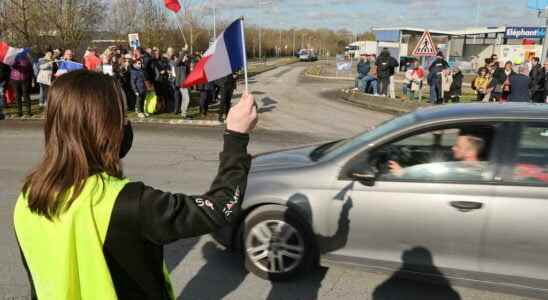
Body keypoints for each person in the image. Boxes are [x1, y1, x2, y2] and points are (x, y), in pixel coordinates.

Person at [13, 70, 258, 300]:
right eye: (121, 117)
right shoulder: (130, 202)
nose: (126, 125)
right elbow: (220, 208)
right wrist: (236, 136)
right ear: (104, 128)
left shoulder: (27, 197)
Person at [389, 133, 485, 176]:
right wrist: (437, 140)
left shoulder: (468, 173)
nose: (452, 148)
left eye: (458, 146)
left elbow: (433, 175)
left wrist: (404, 173)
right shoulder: (465, 166)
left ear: (470, 152)